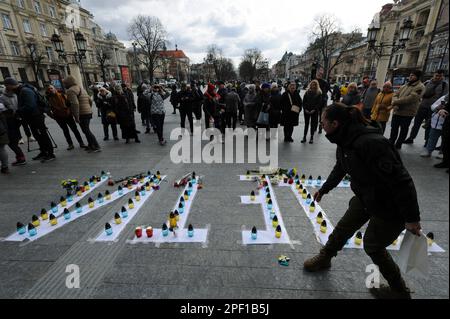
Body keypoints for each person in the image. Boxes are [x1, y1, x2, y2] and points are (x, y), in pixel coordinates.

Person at [304, 102, 422, 299]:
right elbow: (341, 167)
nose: (321, 125)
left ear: (335, 123)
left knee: (373, 245)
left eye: (323, 122)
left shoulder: (371, 143)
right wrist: (324, 189)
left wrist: (412, 218)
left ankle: (399, 290)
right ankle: (325, 258)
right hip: (366, 196)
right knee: (343, 227)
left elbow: (402, 181)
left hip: (390, 205)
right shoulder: (344, 140)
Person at [9, 78, 55, 162]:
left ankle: (50, 154)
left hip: (36, 116)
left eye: (7, 86)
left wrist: (18, 111)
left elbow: (30, 105)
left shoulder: (25, 91)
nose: (7, 88)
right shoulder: (21, 91)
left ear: (11, 85)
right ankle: (44, 152)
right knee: (38, 135)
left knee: (43, 135)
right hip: (32, 117)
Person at [405, 69, 448, 145]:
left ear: (443, 76)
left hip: (433, 109)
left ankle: (427, 141)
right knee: (416, 124)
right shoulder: (427, 82)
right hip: (422, 106)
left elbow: (444, 98)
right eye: (436, 75)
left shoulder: (445, 85)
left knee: (429, 126)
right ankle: (411, 138)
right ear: (434, 75)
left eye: (440, 76)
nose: (438, 77)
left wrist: (440, 108)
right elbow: (419, 93)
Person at [64, 75, 101, 153]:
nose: (64, 85)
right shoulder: (81, 88)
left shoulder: (70, 90)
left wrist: (76, 116)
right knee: (85, 130)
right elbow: (90, 100)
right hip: (87, 112)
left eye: (65, 83)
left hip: (82, 113)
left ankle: (96, 146)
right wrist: (89, 109)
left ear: (68, 83)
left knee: (86, 130)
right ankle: (91, 145)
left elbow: (75, 104)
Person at [389, 70, 425, 149]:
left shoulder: (420, 87)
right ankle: (391, 141)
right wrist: (394, 101)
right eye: (410, 75)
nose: (410, 77)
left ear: (417, 77)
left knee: (403, 129)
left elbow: (411, 98)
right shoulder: (405, 85)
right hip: (397, 111)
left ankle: (398, 144)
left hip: (407, 112)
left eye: (413, 75)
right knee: (394, 128)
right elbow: (395, 94)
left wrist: (396, 102)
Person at [46, 85, 86, 150]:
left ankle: (81, 142)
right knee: (65, 131)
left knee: (74, 129)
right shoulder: (48, 98)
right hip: (59, 117)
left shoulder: (62, 95)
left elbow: (69, 104)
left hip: (68, 116)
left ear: (54, 89)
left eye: (51, 88)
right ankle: (70, 144)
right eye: (49, 89)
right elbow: (47, 108)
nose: (50, 90)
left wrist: (72, 113)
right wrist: (52, 116)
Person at [0, 83, 26, 166]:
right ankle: (20, 157)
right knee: (13, 141)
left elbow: (4, 111)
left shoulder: (3, 98)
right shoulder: (16, 95)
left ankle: (21, 158)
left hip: (9, 121)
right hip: (16, 120)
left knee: (11, 142)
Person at [302, 80, 322, 144]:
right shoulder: (307, 92)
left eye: (315, 84)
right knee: (306, 124)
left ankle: (311, 138)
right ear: (310, 85)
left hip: (314, 111)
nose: (313, 85)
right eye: (312, 84)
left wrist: (314, 109)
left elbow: (319, 103)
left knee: (312, 125)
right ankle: (304, 137)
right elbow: (304, 101)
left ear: (317, 85)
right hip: (306, 110)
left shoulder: (319, 93)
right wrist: (305, 109)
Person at [315, 68, 330, 134]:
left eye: (320, 74)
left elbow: (327, 89)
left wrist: (323, 95)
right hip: (316, 100)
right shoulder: (314, 81)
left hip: (322, 101)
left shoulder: (324, 82)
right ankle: (315, 127)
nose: (319, 75)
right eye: (318, 74)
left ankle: (320, 128)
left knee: (321, 116)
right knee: (315, 115)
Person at [0, 101, 10, 173]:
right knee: (2, 149)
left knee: (1, 149)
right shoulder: (1, 106)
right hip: (2, 130)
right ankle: (5, 166)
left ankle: (5, 167)